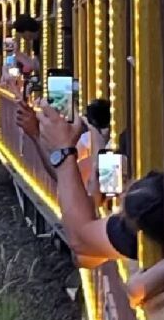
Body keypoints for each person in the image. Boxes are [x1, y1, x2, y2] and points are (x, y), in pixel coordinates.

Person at [36, 103, 164, 267]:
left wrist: (63, 150)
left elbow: (81, 244)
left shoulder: (151, 204)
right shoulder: (152, 197)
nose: (123, 192)